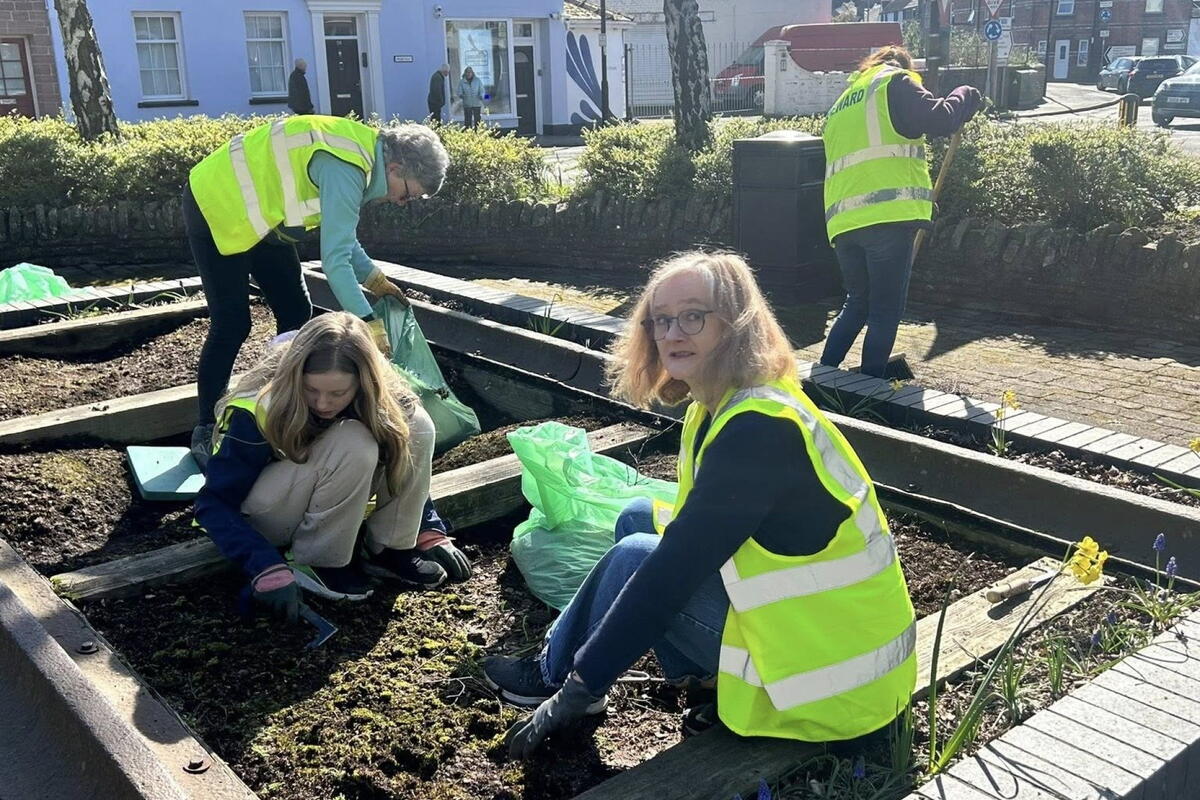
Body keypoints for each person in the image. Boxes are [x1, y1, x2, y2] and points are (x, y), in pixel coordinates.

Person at [483, 251, 916, 759]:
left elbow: (667, 576)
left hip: (830, 683)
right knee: (636, 517)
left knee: (637, 555)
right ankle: (683, 679)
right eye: (661, 320)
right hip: (826, 636)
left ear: (737, 325)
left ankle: (554, 680)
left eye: (693, 316)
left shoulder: (758, 430)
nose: (671, 333)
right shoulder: (721, 406)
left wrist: (578, 689)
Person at [184, 117, 449, 467]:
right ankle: (205, 428)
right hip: (218, 203)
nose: (402, 202)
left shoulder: (362, 158)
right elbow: (334, 260)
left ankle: (284, 407)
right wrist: (368, 324)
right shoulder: (347, 168)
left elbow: (343, 239)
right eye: (408, 193)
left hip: (263, 216)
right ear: (396, 166)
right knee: (232, 323)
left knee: (296, 311)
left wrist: (374, 280)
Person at [194, 313, 472, 610]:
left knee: (414, 423)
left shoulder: (374, 397)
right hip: (262, 518)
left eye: (338, 393)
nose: (323, 403)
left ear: (364, 383)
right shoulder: (258, 407)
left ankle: (390, 548)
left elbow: (402, 455)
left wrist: (428, 527)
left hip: (317, 499)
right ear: (294, 375)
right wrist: (263, 565)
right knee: (353, 440)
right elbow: (212, 504)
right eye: (311, 390)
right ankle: (319, 562)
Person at [819, 45, 981, 378]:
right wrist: (965, 94)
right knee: (884, 311)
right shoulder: (895, 82)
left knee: (857, 302)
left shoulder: (843, 102)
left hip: (843, 222)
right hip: (886, 219)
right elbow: (940, 118)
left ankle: (822, 375)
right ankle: (869, 389)